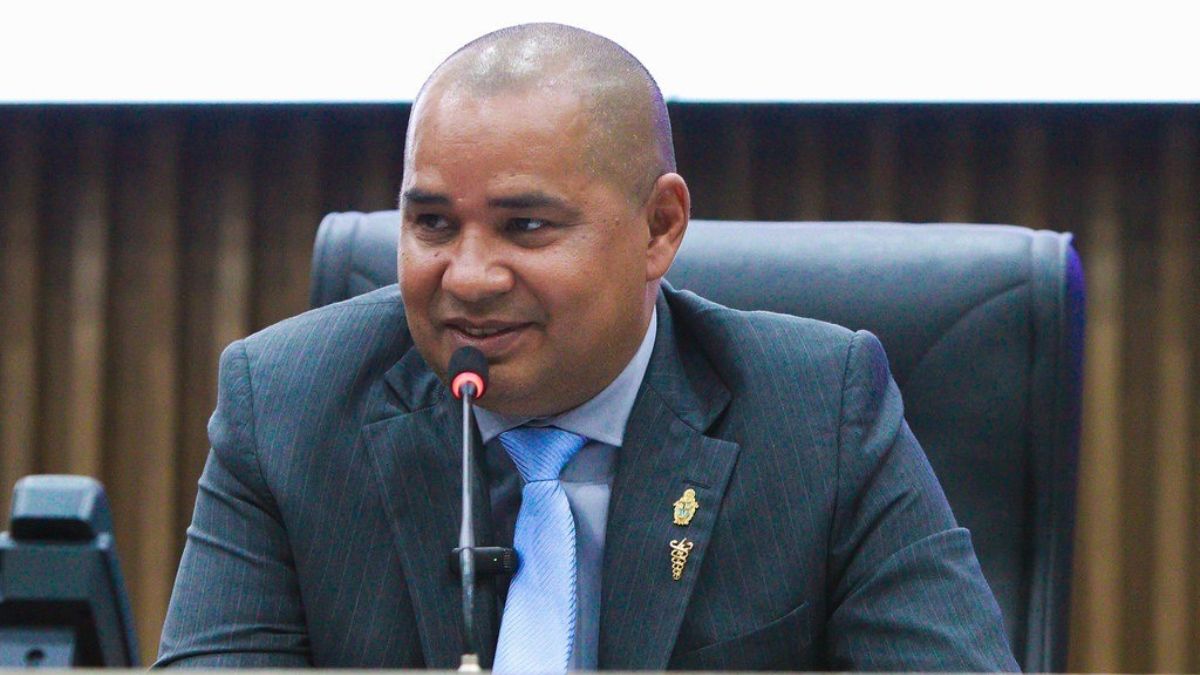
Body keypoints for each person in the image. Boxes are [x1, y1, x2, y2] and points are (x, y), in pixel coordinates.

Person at [157, 23, 1018, 671]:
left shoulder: (820, 413)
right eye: (433, 224)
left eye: (525, 226)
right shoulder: (286, 402)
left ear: (659, 226)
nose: (469, 276)